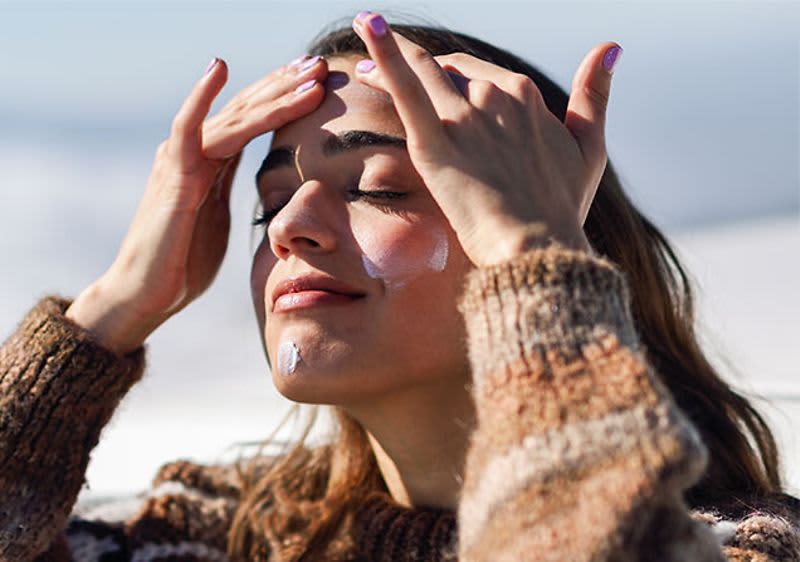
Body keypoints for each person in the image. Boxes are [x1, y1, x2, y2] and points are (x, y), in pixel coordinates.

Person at [1, 10, 798, 562]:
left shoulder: (745, 545)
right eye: (270, 202)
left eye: (377, 186)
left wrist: (531, 250)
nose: (287, 228)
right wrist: (111, 311)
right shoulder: (214, 537)